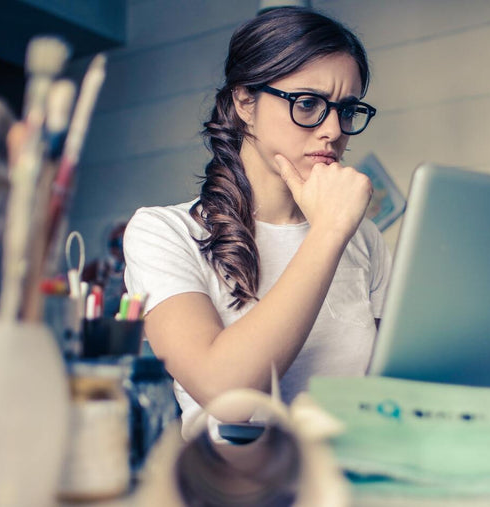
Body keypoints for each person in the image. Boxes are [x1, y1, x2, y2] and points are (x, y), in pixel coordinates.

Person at [123, 7, 390, 430]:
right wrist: (329, 232)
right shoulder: (164, 233)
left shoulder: (365, 239)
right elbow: (227, 398)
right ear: (245, 102)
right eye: (307, 104)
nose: (334, 131)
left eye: (347, 109)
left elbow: (387, 394)